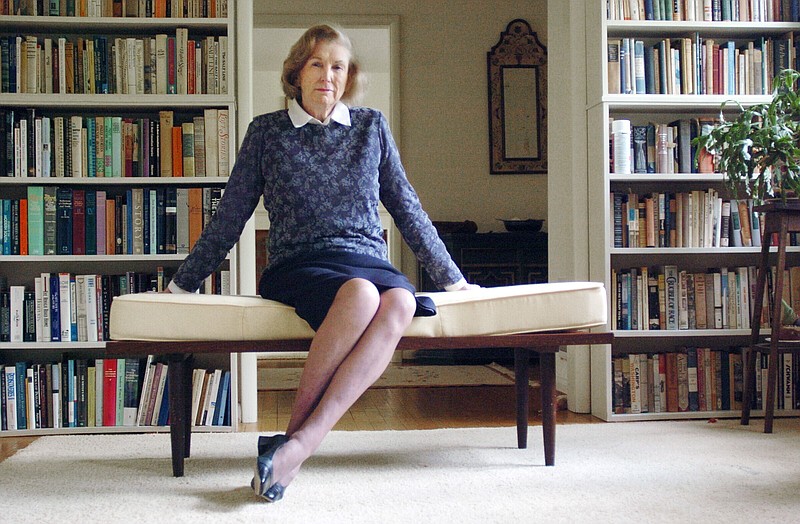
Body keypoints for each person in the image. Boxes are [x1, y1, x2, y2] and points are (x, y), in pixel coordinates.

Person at [164, 24, 476, 502]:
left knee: (398, 301)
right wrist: (183, 284)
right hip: (300, 262)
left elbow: (405, 205)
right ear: (296, 73)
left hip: (367, 257)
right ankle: (292, 446)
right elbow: (232, 214)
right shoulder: (267, 132)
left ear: (348, 76)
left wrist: (452, 278)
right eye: (317, 63)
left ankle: (292, 449)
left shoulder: (371, 127)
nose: (328, 75)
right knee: (363, 294)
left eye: (338, 66)